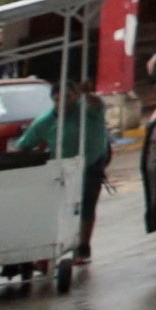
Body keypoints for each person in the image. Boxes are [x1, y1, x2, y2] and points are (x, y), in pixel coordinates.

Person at [58, 64, 113, 271]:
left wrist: (86, 93)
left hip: (91, 164)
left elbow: (96, 103)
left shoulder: (89, 107)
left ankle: (83, 246)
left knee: (87, 207)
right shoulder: (52, 117)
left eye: (68, 96)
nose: (63, 102)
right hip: (64, 168)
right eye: (58, 99)